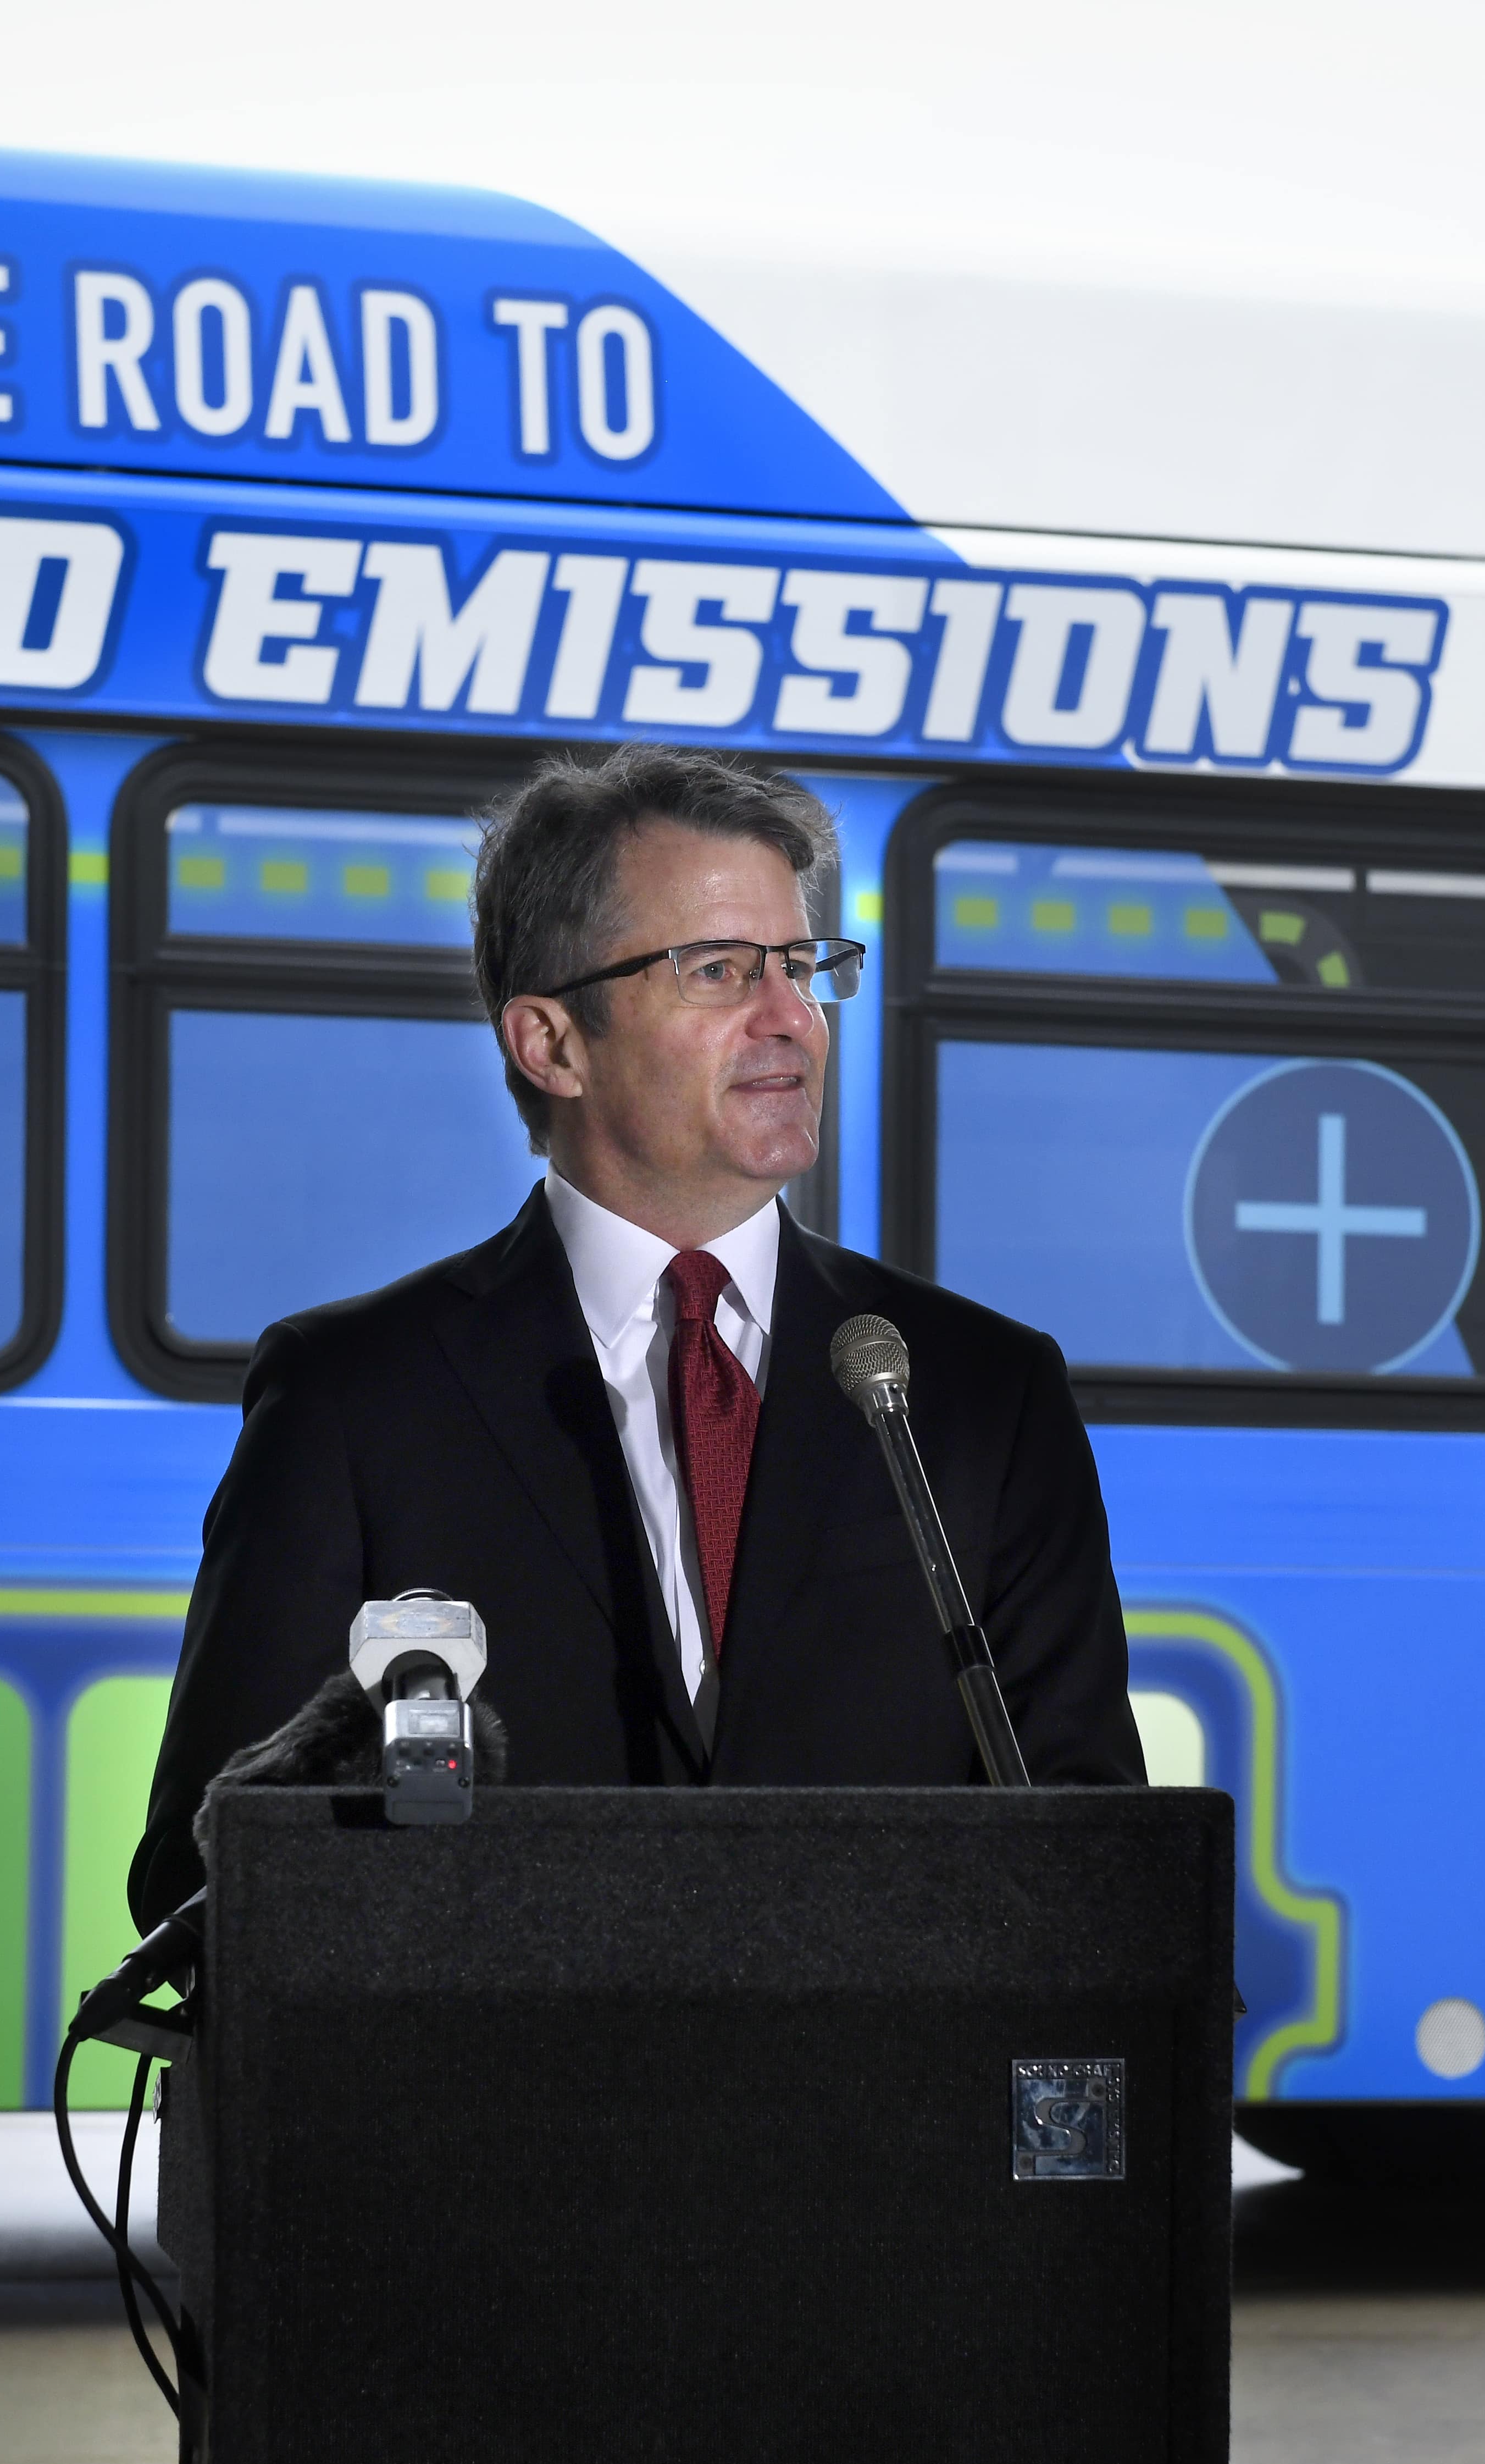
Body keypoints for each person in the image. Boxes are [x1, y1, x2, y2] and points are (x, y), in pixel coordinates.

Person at [126, 743, 1144, 1931]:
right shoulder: (356, 1396)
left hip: (869, 2107)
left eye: (803, 965)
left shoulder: (978, 1393)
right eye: (718, 971)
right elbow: (199, 1874)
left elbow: (1089, 1848)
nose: (793, 1021)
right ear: (550, 1042)